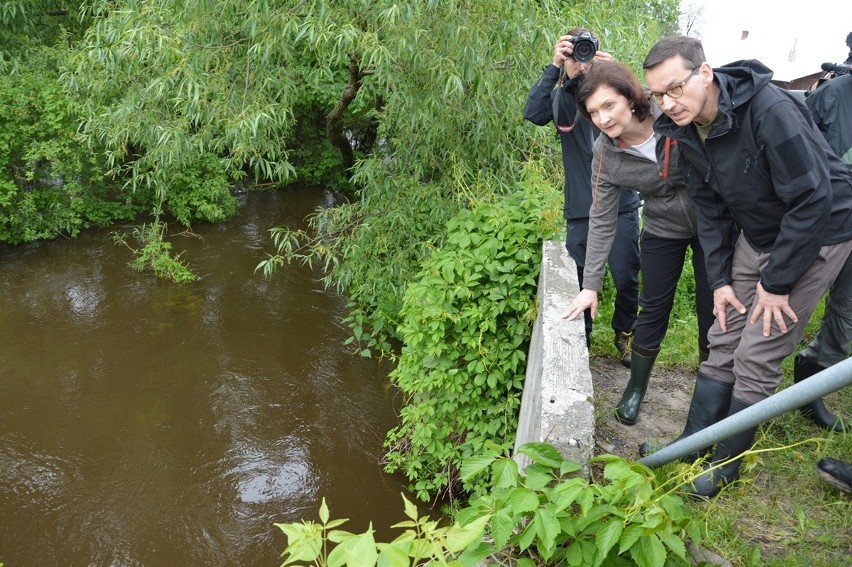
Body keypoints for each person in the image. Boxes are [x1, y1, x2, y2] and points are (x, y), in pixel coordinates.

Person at [642, 35, 852, 498]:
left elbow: (813, 198)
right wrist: (719, 281)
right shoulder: (685, 128)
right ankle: (691, 445)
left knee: (757, 351)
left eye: (674, 88)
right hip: (756, 234)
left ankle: (725, 466)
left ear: (704, 72)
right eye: (657, 94)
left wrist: (777, 284)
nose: (667, 103)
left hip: (818, 231)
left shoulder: (769, 110)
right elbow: (710, 211)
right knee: (724, 335)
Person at [560, 60, 714, 427]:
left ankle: (710, 392)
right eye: (593, 112)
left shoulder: (673, 116)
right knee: (652, 308)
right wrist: (590, 285)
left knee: (714, 313)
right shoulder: (606, 153)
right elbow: (601, 217)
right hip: (662, 228)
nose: (602, 118)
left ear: (631, 98)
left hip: (713, 225)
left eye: (609, 105)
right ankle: (636, 388)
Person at [524, 28, 641, 366]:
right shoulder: (564, 99)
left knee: (626, 275)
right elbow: (533, 114)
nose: (582, 59)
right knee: (580, 280)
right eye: (574, 52)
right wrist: (555, 67)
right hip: (580, 208)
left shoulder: (611, 95)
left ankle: (625, 334)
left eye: (585, 52)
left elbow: (642, 109)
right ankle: (583, 338)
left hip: (621, 205)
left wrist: (615, 74)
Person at [792, 47, 852, 431]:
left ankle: (810, 383)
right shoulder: (834, 94)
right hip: (826, 225)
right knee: (790, 310)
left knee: (846, 318)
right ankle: (749, 390)